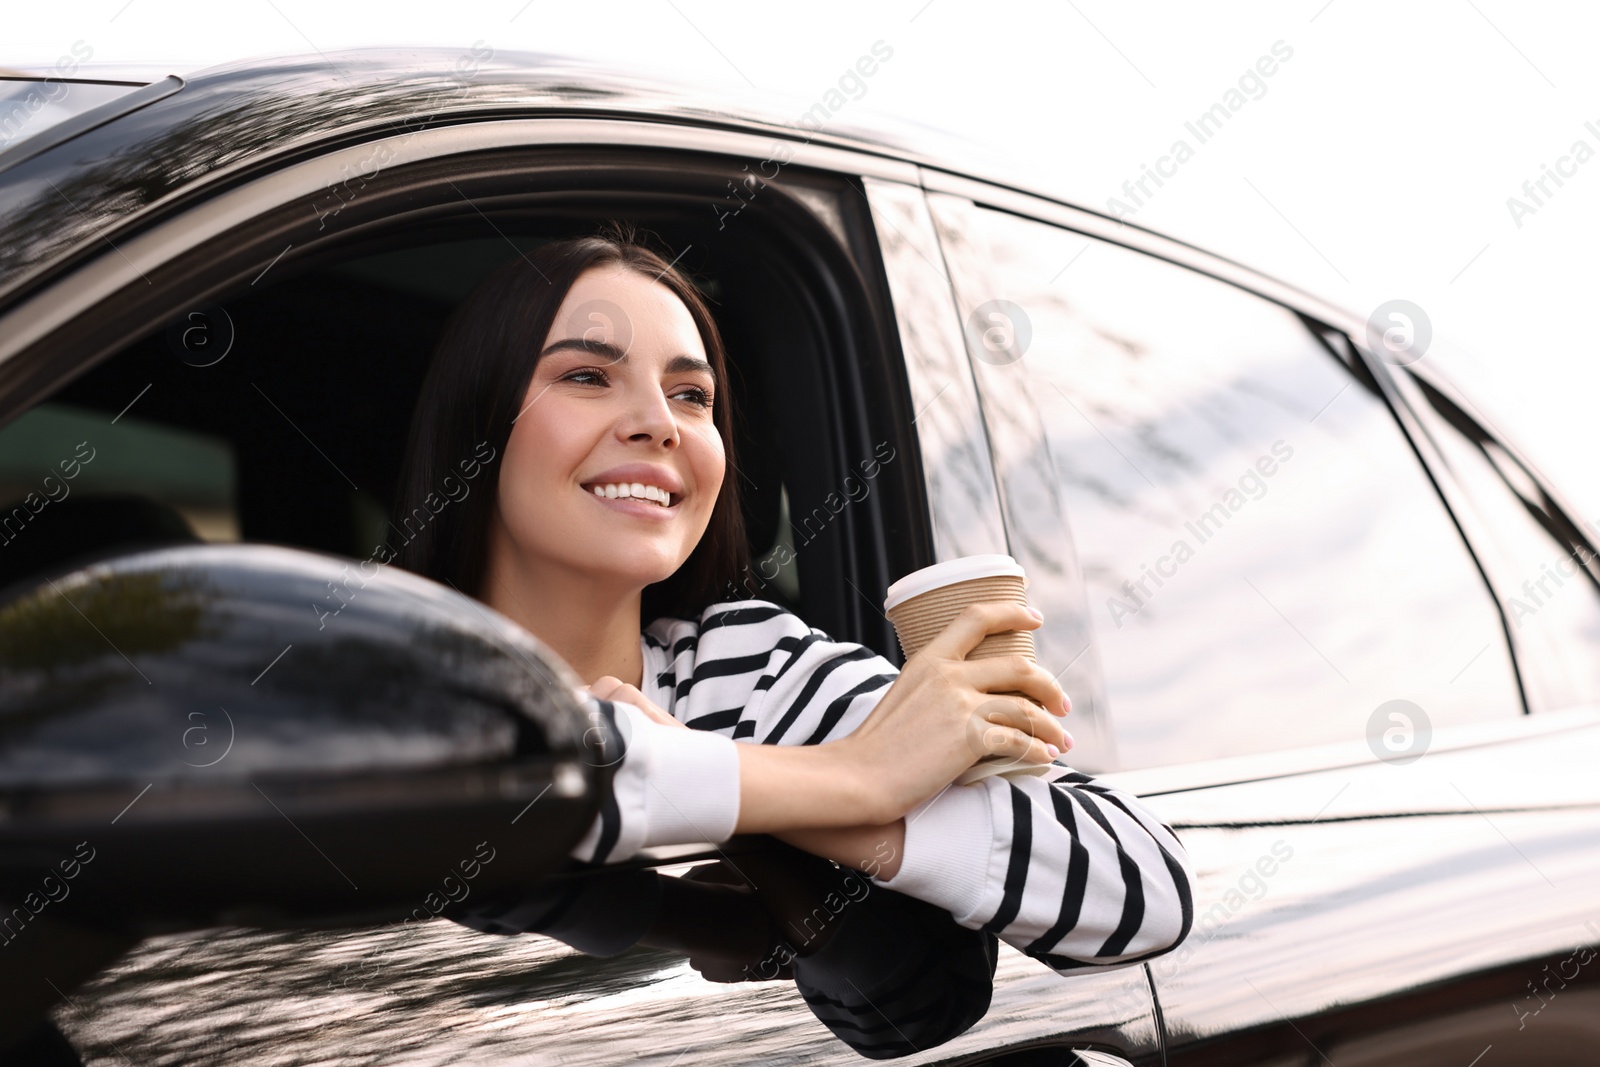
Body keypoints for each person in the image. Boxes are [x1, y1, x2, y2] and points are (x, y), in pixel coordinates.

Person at [389, 226, 1196, 1047]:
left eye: (692, 395)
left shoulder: (745, 671)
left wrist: (852, 811)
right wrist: (852, 774)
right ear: (479, 420)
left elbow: (1146, 889)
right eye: (588, 375)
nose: (658, 423)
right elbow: (456, 775)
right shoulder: (365, 662)